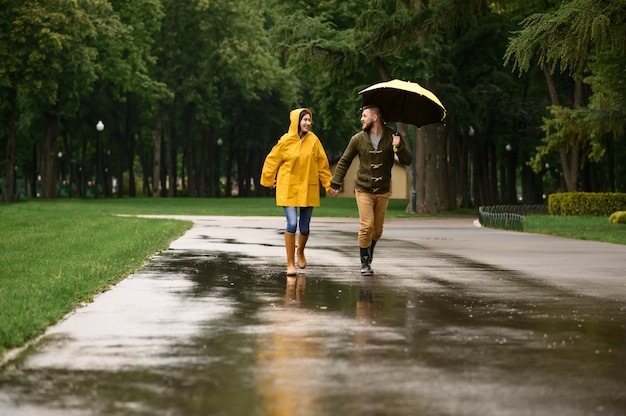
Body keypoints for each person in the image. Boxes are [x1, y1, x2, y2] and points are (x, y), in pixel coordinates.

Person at [328, 106, 412, 275]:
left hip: (382, 191)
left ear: (375, 117)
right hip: (363, 189)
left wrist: (400, 145)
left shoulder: (392, 137)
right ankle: (365, 262)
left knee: (377, 230)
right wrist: (336, 183)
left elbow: (407, 160)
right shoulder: (357, 139)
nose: (361, 119)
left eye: (364, 116)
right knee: (366, 226)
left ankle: (369, 251)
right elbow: (344, 161)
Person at [261, 108, 333, 276]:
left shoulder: (314, 141)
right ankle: (290, 264)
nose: (308, 123)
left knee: (305, 228)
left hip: (308, 188)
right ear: (297, 121)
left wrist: (329, 185)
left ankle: (300, 250)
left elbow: (323, 165)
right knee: (292, 223)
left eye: (309, 120)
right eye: (305, 120)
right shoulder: (286, 140)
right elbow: (272, 159)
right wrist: (269, 178)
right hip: (288, 188)